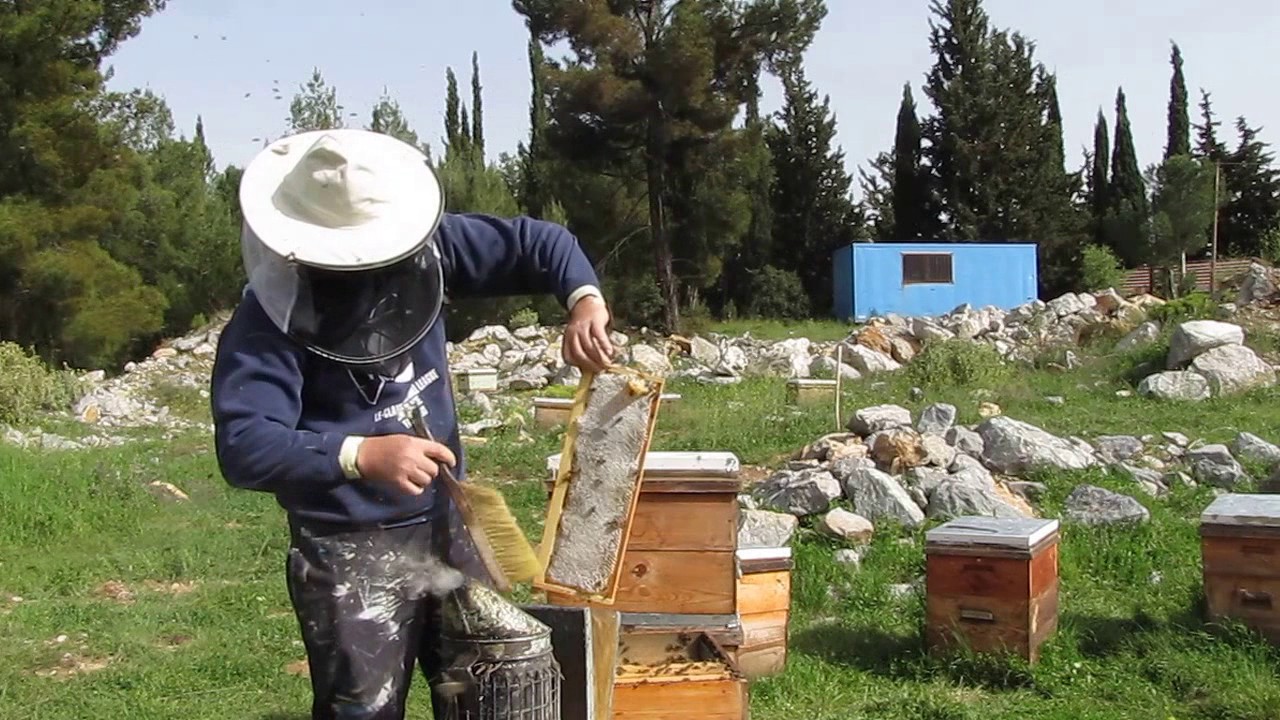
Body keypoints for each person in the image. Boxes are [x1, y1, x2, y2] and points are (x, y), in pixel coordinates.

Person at [209, 128, 613, 720]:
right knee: (365, 707)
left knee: (494, 684)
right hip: (350, 546)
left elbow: (538, 242)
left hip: (451, 518)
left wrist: (584, 300)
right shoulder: (265, 324)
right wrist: (360, 455)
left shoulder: (429, 249)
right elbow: (245, 445)